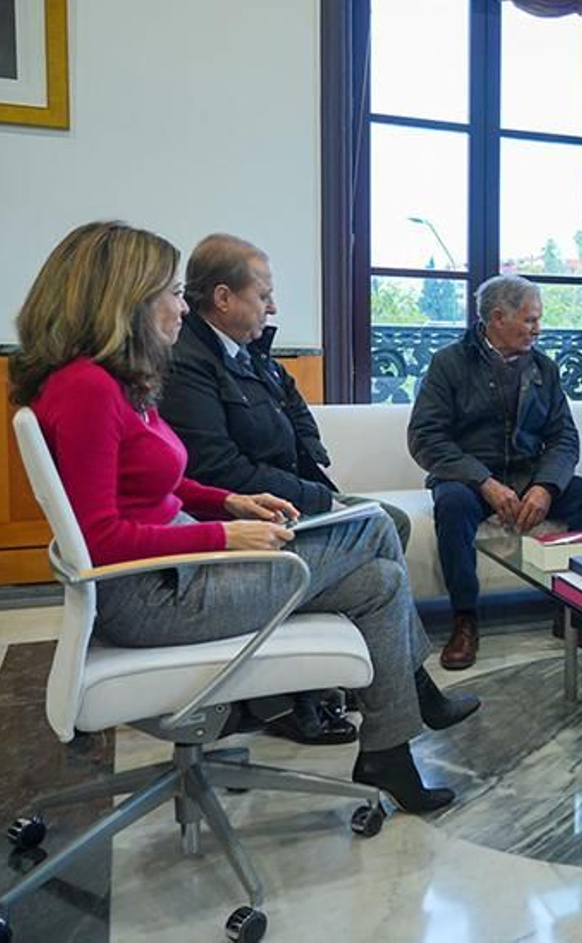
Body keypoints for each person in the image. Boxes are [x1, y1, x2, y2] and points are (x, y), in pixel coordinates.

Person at [9, 221, 473, 814]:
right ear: (126, 300)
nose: (182, 305)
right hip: (154, 598)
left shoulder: (108, 383)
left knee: (379, 582)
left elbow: (157, 483)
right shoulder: (87, 390)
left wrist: (225, 501)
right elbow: (100, 539)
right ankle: (411, 700)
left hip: (173, 571)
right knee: (376, 525)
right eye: (172, 292)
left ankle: (388, 750)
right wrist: (224, 534)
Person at [158, 232, 423, 745]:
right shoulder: (189, 362)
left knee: (384, 537)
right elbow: (219, 468)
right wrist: (317, 498)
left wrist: (311, 472)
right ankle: (309, 693)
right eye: (264, 294)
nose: (272, 306)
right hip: (245, 520)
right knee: (380, 525)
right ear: (223, 297)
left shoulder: (247, 351)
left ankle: (333, 682)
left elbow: (294, 411)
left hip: (280, 498)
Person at [409, 274, 582, 669]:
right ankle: (465, 619)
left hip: (529, 474)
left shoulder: (544, 368)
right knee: (451, 504)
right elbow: (426, 437)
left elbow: (564, 437)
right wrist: (483, 482)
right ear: (498, 317)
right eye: (531, 320)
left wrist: (545, 487)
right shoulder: (449, 363)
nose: (539, 328)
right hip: (469, 479)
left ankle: (570, 609)